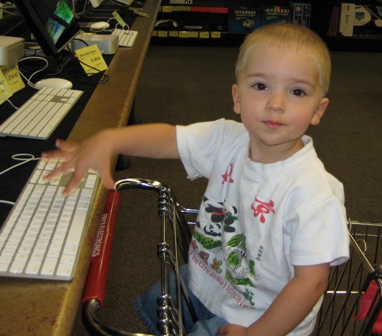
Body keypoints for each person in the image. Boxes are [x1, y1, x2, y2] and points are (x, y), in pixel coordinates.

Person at [43, 22, 350, 335]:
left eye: (297, 91)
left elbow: (311, 283)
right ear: (237, 97)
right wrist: (110, 140)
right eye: (261, 86)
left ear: (318, 110)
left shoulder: (313, 193)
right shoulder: (227, 139)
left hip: (258, 319)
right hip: (210, 278)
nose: (276, 104)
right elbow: (169, 139)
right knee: (163, 300)